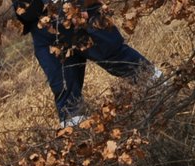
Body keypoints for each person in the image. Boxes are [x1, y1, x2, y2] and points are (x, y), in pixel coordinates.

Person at [15, 0, 158, 126]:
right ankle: (80, 141)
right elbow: (24, 12)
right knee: (65, 92)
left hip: (80, 11)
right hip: (44, 31)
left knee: (119, 59)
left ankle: (165, 94)